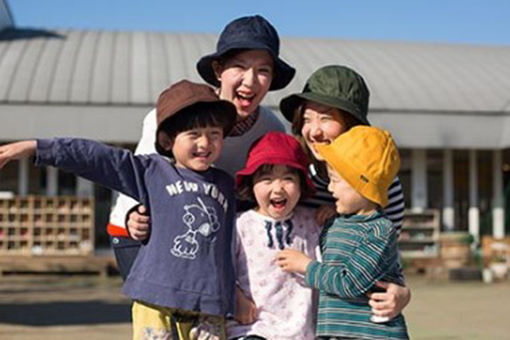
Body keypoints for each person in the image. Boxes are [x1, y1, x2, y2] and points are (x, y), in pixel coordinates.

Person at [0, 80, 239, 340]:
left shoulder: (226, 184)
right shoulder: (152, 172)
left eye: (214, 134)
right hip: (156, 300)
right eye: (193, 134)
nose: (205, 143)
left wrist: (232, 296)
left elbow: (234, 244)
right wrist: (36, 148)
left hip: (209, 306)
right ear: (168, 140)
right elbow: (96, 157)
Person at [108, 14, 295, 281]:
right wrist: (132, 214)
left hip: (212, 237)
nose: (251, 81)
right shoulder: (176, 113)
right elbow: (136, 176)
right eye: (239, 67)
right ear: (219, 70)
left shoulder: (271, 129)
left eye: (263, 70)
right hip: (145, 233)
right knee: (163, 320)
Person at [279, 65, 410, 319]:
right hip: (291, 311)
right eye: (307, 119)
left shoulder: (383, 185)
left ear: (352, 124)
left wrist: (403, 293)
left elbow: (387, 259)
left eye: (326, 118)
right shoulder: (293, 175)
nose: (314, 131)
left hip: (349, 317)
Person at [276, 126, 410, 340]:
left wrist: (305, 266)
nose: (330, 188)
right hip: (338, 332)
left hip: (371, 334)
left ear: (362, 185)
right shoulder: (338, 223)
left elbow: (349, 283)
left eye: (336, 180)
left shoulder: (379, 231)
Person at [228, 132, 319, 340]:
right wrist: (235, 295)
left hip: (300, 332)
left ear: (301, 184)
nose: (277, 188)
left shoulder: (312, 223)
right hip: (251, 328)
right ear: (251, 184)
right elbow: (219, 269)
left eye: (288, 179)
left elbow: (330, 271)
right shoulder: (240, 225)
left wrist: (306, 265)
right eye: (266, 179)